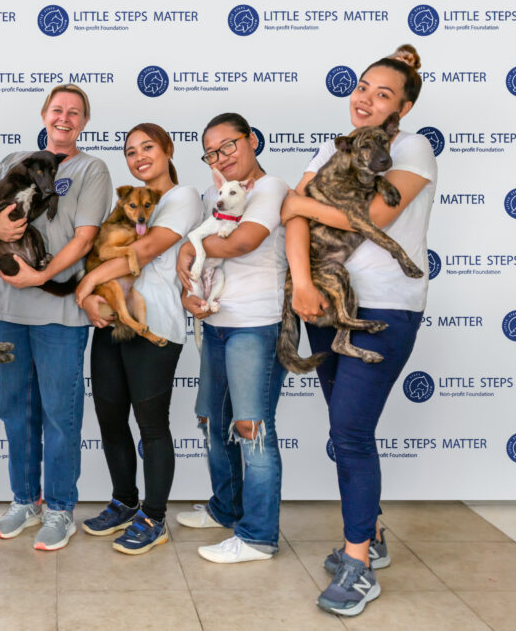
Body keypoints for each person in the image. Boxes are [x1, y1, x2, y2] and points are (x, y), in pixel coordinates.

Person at [280, 44, 436, 617]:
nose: (366, 98)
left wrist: (301, 200)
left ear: (404, 108)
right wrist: (301, 283)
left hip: (387, 307)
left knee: (349, 433)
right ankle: (369, 533)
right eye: (363, 86)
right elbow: (290, 214)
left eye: (383, 93)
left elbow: (370, 219)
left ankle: (359, 563)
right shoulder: (334, 145)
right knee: (344, 432)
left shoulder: (412, 146)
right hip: (324, 299)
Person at [0, 84, 112, 551]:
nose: (65, 118)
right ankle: (24, 501)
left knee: (60, 414)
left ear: (84, 122)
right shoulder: (14, 159)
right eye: (58, 110)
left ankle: (59, 508)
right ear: (43, 114)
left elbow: (85, 238)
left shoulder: (92, 169)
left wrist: (42, 277)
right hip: (9, 311)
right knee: (15, 410)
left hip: (60, 310)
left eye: (75, 113)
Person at [75, 124, 202, 555]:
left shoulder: (180, 198)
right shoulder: (127, 205)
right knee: (111, 420)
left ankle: (154, 515)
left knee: (151, 427)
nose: (139, 156)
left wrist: (86, 284)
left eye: (148, 147)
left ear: (168, 149)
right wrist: (93, 297)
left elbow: (143, 254)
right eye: (131, 151)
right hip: (113, 320)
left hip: (157, 326)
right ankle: (124, 501)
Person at [173, 113, 290, 565]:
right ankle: (226, 509)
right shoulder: (210, 194)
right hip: (214, 321)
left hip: (254, 324)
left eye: (229, 145)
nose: (222, 157)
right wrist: (189, 293)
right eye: (212, 152)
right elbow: (196, 259)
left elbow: (244, 241)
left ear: (252, 140)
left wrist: (191, 245)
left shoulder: (271, 188)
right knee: (210, 421)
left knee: (252, 428)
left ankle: (258, 536)